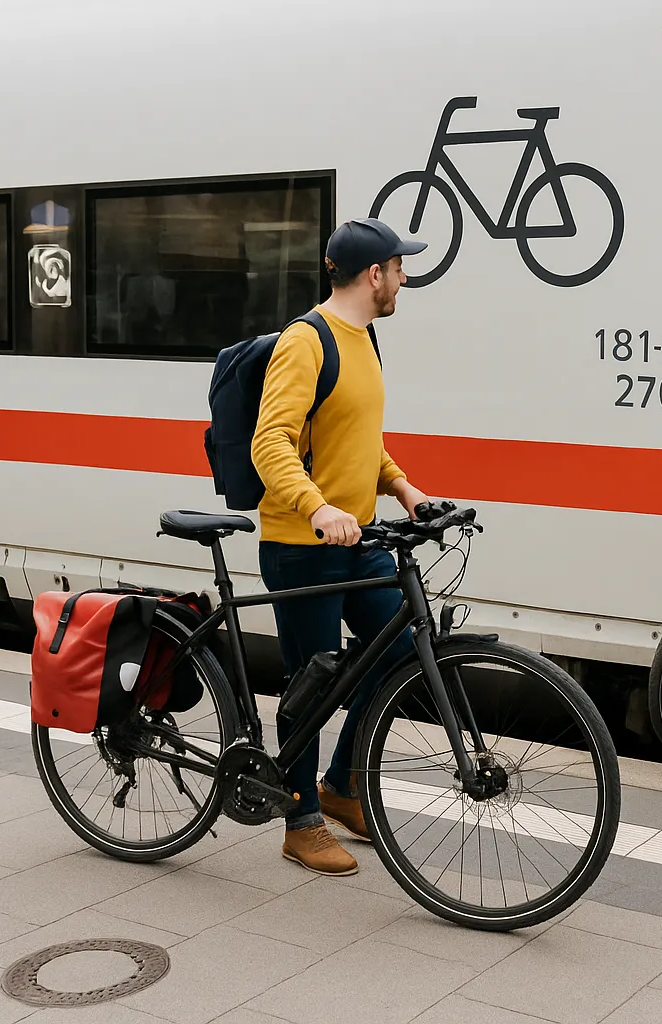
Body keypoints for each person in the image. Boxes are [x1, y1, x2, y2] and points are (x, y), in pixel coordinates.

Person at [251, 217, 432, 875]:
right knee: (312, 684)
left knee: (401, 652)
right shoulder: (308, 340)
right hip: (304, 542)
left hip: (357, 539)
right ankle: (300, 820)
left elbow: (357, 432)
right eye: (399, 268)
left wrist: (403, 487)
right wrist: (317, 506)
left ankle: (344, 786)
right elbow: (270, 441)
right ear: (373, 274)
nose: (405, 278)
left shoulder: (365, 338)